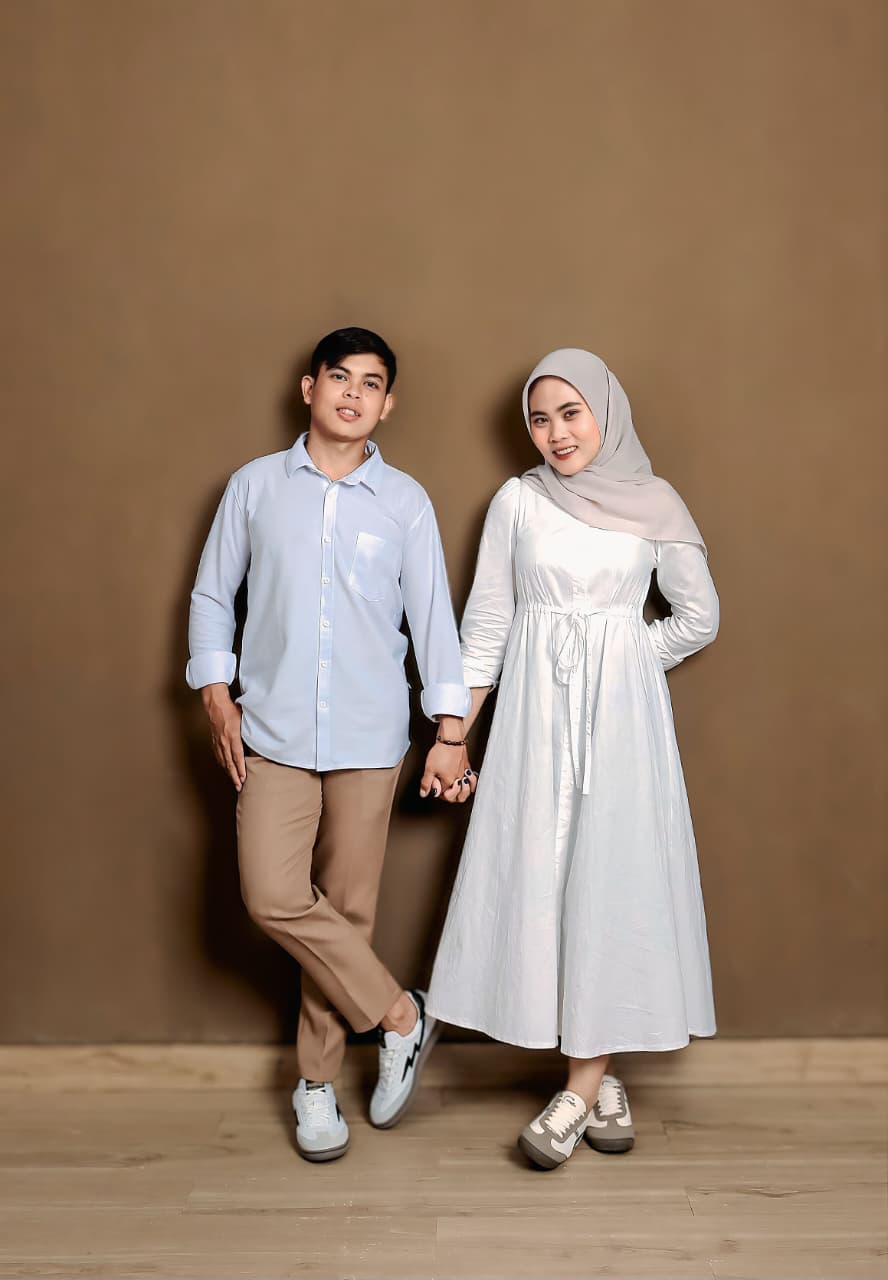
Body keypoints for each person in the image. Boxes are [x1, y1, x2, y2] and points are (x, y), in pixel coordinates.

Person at [426, 348, 719, 1170]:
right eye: (540, 418)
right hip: (533, 715)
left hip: (621, 721)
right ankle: (601, 1076)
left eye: (571, 413)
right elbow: (487, 626)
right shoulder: (518, 502)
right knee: (547, 877)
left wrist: (622, 660)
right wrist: (453, 736)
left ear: (605, 413)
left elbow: (698, 616)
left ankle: (576, 1093)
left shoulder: (656, 502)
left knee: (612, 878)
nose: (556, 433)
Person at [186, 327, 472, 1162]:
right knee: (272, 895)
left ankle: (316, 1083)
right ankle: (401, 1015)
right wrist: (215, 693)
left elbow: (434, 622)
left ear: (388, 404)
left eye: (370, 382)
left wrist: (449, 731)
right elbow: (213, 596)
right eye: (339, 377)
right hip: (272, 731)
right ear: (309, 388)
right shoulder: (254, 487)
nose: (353, 393)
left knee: (345, 915)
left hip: (370, 736)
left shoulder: (405, 502)